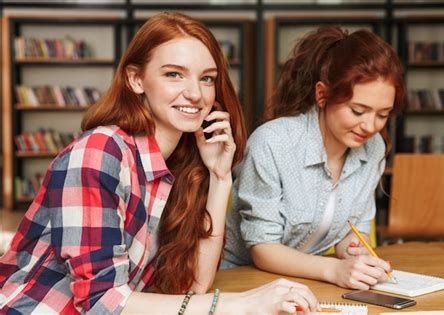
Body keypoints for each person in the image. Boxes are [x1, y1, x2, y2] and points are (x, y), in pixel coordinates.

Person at [0, 13, 319, 314]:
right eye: (174, 74)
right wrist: (241, 303)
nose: (195, 93)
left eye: (207, 79)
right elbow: (101, 302)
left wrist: (220, 178)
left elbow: (194, 286)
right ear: (136, 79)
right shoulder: (99, 153)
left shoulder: (179, 167)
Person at [224, 25, 406, 290]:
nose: (370, 126)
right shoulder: (272, 143)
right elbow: (263, 249)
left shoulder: (374, 147)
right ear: (322, 95)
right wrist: (335, 269)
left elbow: (352, 232)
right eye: (358, 111)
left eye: (382, 115)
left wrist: (356, 255)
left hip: (307, 281)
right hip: (241, 279)